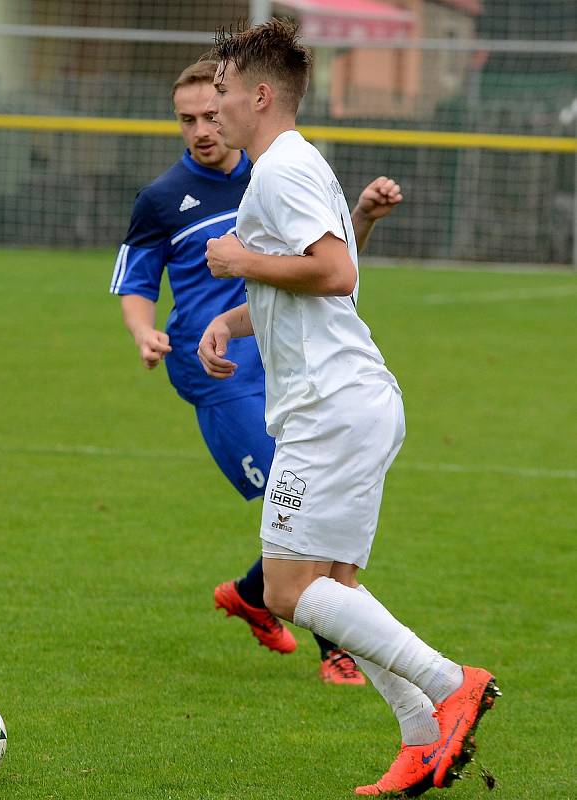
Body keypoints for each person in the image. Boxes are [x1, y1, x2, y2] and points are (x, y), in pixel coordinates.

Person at [197, 20, 500, 797]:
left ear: (260, 96)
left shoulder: (281, 170)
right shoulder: (291, 166)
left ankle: (450, 681)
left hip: (329, 409)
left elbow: (331, 272)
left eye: (225, 91)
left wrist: (235, 260)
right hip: (349, 401)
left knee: (290, 589)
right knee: (335, 585)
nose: (215, 103)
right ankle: (421, 736)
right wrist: (228, 321)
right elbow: (324, 276)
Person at [110, 59, 403, 686]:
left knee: (300, 517)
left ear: (243, 105)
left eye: (212, 114)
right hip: (218, 376)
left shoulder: (274, 170)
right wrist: (144, 331)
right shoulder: (163, 199)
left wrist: (364, 219)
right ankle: (337, 650)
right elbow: (135, 284)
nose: (202, 130)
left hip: (290, 364)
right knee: (292, 503)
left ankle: (252, 596)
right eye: (187, 120)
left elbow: (326, 271)